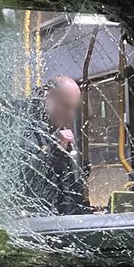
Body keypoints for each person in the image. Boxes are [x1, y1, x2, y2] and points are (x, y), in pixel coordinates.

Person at [22, 75, 88, 215]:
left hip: (59, 218)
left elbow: (64, 185)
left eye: (74, 108)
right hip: (35, 220)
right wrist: (55, 150)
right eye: (66, 107)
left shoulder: (57, 130)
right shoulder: (24, 124)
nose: (70, 114)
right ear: (48, 98)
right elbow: (27, 180)